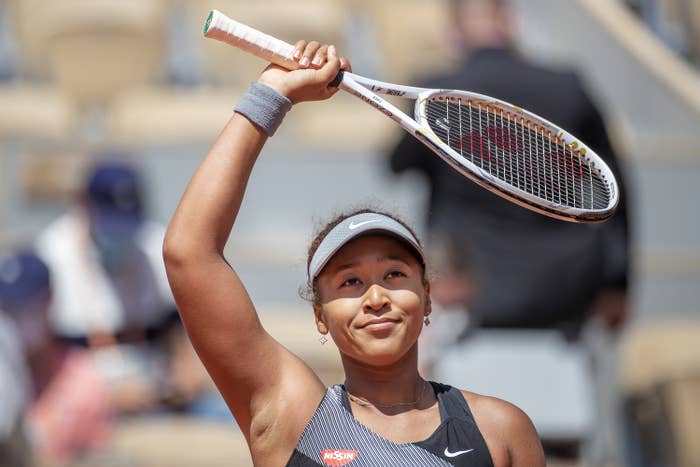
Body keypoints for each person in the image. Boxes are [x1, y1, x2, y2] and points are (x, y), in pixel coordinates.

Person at [163, 40, 545, 466]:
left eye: (394, 275)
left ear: (428, 296)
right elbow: (189, 253)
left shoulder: (500, 430)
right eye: (350, 281)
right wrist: (272, 92)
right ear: (320, 315)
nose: (376, 297)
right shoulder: (293, 416)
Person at [389, 0, 630, 341]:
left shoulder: (436, 91)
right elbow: (614, 189)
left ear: (453, 33)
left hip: (466, 291)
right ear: (509, 23)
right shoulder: (568, 86)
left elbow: (396, 165)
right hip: (565, 288)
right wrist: (618, 284)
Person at [34, 161, 209, 414]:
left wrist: (185, 375)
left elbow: (177, 337)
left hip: (154, 399)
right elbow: (38, 359)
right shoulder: (52, 255)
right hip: (79, 405)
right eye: (111, 222)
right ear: (85, 207)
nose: (120, 236)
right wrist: (104, 396)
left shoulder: (157, 247)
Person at [0, 249, 112, 464]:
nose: (15, 317)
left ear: (49, 299)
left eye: (26, 306)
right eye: (6, 307)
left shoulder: (84, 379)